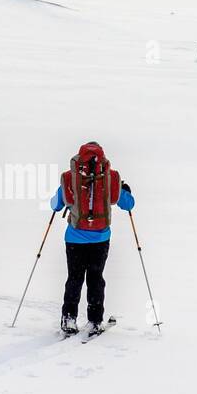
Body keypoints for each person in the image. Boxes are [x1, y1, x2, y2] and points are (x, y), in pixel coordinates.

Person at [50, 141, 134, 334]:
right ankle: (95, 320)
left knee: (74, 278)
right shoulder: (110, 177)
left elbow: (55, 205)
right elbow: (129, 204)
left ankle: (69, 319)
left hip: (74, 239)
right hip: (100, 239)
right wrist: (126, 191)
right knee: (96, 279)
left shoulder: (70, 177)